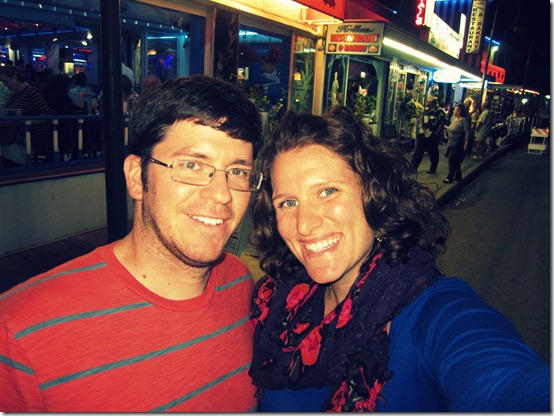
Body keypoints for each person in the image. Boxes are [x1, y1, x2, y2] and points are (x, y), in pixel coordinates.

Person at [248, 106, 549, 412]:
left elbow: (504, 382)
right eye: (288, 202)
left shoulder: (435, 312)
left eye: (327, 191)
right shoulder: (276, 300)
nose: (304, 225)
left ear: (375, 194)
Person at [0, 75, 263, 412]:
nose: (222, 195)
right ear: (137, 177)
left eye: (238, 171)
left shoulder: (239, 284)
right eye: (192, 165)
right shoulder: (20, 330)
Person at [0, 65, 51, 165]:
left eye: (6, 81)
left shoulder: (30, 92)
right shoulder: (16, 94)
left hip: (32, 136)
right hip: (19, 137)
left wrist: (28, 122)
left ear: (15, 78)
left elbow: (46, 115)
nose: (5, 85)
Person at [410, 95, 445, 174]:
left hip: (432, 133)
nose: (426, 103)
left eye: (427, 102)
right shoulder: (426, 110)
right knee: (419, 150)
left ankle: (433, 169)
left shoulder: (439, 111)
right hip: (423, 132)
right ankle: (413, 167)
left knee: (433, 151)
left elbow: (441, 123)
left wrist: (436, 133)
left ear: (432, 103)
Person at [443, 103, 470, 183]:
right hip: (451, 142)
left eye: (455, 110)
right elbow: (451, 128)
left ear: (459, 112)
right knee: (456, 161)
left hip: (458, 143)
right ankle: (458, 176)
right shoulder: (454, 119)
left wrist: (466, 143)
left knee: (452, 159)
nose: (453, 111)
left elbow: (467, 132)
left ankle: (450, 177)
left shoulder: (463, 120)